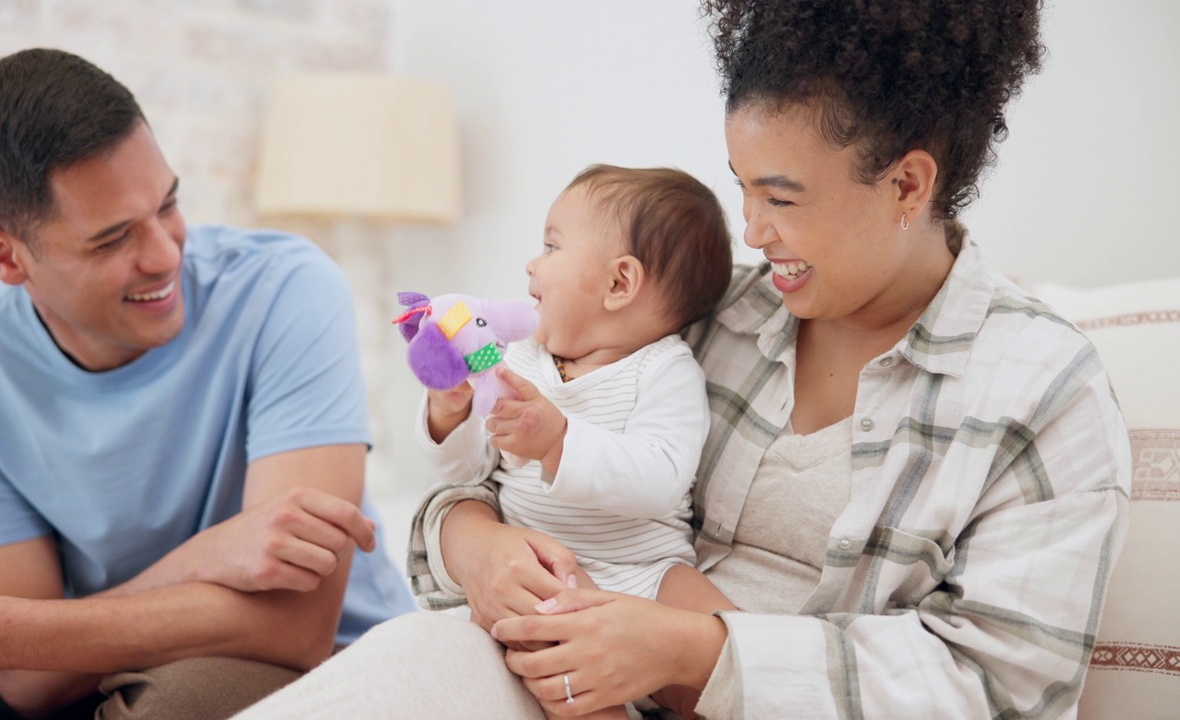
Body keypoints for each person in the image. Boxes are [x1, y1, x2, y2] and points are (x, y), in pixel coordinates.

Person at [230, 0, 1132, 716]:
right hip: (555, 668)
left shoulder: (1039, 390)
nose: (751, 229)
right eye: (742, 187)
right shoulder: (707, 313)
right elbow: (497, 477)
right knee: (399, 665)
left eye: (782, 198)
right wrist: (478, 547)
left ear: (907, 184)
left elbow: (1001, 691)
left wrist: (689, 651)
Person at [0, 48, 415, 719]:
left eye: (168, 205)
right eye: (112, 239)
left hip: (301, 661)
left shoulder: (285, 289)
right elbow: (23, 686)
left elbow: (295, 627)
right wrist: (200, 559)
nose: (166, 254)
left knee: (172, 705)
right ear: (2, 253)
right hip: (96, 669)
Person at [416, 165, 735, 718]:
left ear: (619, 284)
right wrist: (451, 412)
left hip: (649, 571)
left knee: (730, 649)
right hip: (541, 571)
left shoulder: (665, 370)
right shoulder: (517, 359)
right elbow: (466, 474)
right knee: (559, 677)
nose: (531, 264)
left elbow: (661, 479)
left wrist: (559, 439)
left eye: (551, 245)